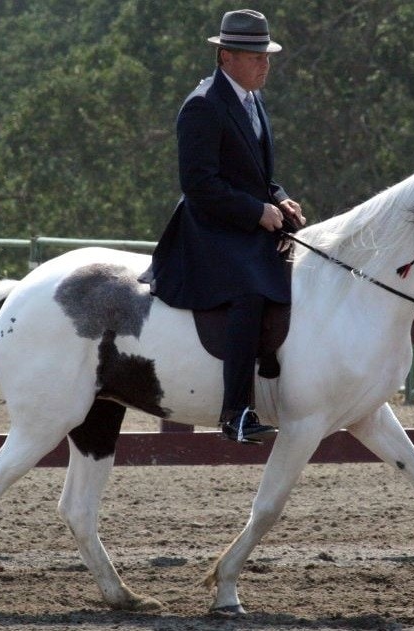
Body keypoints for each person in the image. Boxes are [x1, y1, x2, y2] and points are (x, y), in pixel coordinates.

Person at [143, 9, 305, 443]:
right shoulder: (202, 107)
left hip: (244, 220)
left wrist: (279, 197)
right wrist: (256, 212)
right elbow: (199, 185)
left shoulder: (252, 100)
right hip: (208, 229)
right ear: (226, 58)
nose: (264, 64)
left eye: (266, 56)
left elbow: (255, 174)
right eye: (255, 57)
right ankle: (236, 411)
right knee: (249, 291)